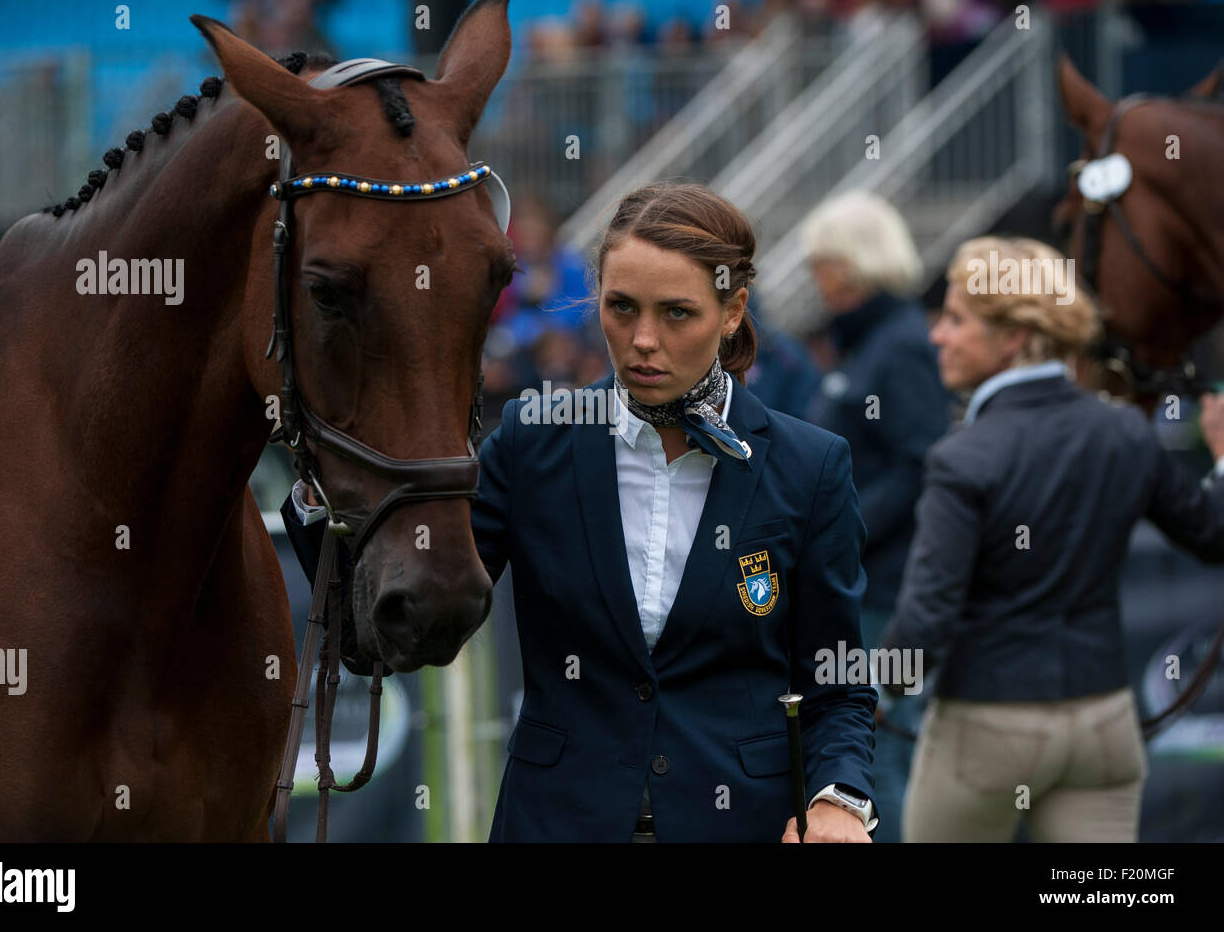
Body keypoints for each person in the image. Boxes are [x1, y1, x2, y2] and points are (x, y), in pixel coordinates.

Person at [283, 183, 880, 842]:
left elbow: (838, 681)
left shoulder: (811, 466)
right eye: (621, 307)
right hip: (555, 821)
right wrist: (320, 485)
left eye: (677, 313)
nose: (642, 340)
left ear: (733, 310)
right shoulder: (532, 440)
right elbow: (382, 638)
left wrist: (838, 798)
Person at [883, 236, 1224, 842]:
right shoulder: (1124, 431)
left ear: (1015, 338)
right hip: (1102, 727)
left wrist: (876, 688)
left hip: (987, 729)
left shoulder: (963, 457)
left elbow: (925, 621)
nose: (937, 333)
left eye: (957, 319)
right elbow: (1214, 536)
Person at [801, 189, 950, 843]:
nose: (815, 279)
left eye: (823, 264)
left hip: (887, 596)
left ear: (855, 263)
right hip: (862, 589)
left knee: (879, 754)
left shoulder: (901, 345)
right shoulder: (870, 343)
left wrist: (842, 530)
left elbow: (925, 465)